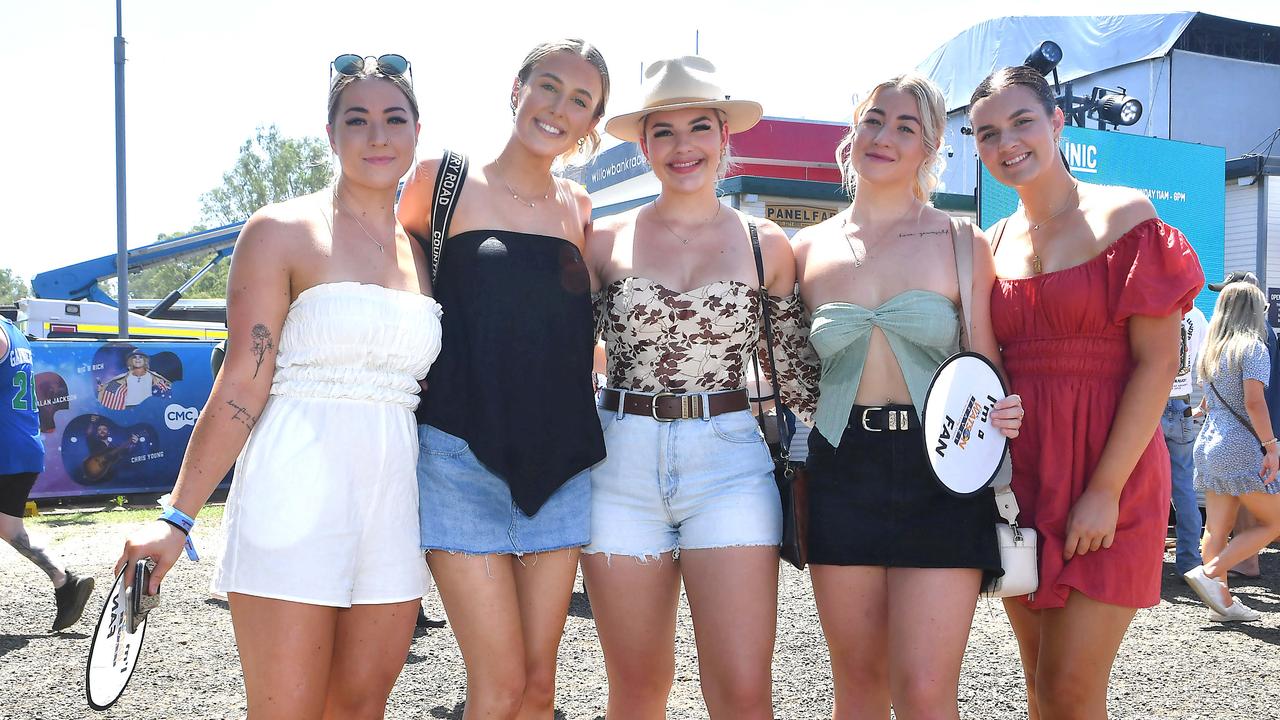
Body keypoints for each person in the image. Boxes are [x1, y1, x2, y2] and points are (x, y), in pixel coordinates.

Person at [117, 53, 441, 718]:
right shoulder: (281, 230)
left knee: (360, 710)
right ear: (330, 134)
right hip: (293, 496)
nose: (377, 135)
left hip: (394, 508)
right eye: (357, 119)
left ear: (415, 133)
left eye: (393, 118)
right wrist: (177, 518)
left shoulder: (424, 250)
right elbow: (241, 381)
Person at [582, 55, 813, 719]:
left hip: (730, 466)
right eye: (664, 132)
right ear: (643, 144)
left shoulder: (767, 243)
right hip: (618, 467)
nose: (683, 147)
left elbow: (798, 375)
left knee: (742, 694)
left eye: (699, 128)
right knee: (635, 690)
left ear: (724, 136)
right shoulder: (601, 241)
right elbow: (554, 357)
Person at [969, 65, 1203, 719]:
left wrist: (1103, 491)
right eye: (988, 133)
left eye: (1022, 122)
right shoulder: (992, 245)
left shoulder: (1126, 216)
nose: (1007, 142)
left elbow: (1158, 365)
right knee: (1039, 684)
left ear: (1057, 123)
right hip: (1024, 480)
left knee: (1072, 689)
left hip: (1113, 471)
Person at [792, 72, 1023, 720]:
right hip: (841, 470)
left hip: (942, 472)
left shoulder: (960, 242)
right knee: (858, 688)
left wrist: (1009, 411)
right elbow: (782, 368)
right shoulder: (805, 249)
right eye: (874, 119)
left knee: (925, 692)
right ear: (852, 131)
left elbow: (986, 368)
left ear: (931, 148)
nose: (885, 136)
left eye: (906, 127)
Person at [396, 39, 610, 719]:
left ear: (591, 125)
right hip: (460, 457)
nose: (558, 107)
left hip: (562, 461)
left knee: (540, 688)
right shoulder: (443, 181)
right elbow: (395, 295)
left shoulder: (579, 208)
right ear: (516, 89)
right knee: (497, 685)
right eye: (548, 86)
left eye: (580, 100)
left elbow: (586, 336)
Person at [1184, 280, 1280, 621]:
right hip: (1239, 445)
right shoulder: (1253, 348)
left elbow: (1209, 403)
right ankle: (1210, 574)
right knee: (1275, 520)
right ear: (1254, 311)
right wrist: (1271, 447)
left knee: (1216, 527)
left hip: (1209, 442)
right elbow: (1255, 402)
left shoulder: (1213, 350)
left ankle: (1221, 604)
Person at [0, 316, 95, 631]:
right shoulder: (15, 333)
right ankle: (64, 582)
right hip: (22, 445)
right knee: (10, 529)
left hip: (5, 445)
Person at [1164, 304, 1207, 577]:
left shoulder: (1155, 306)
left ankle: (1144, 557)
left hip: (1149, 402)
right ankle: (1190, 561)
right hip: (1181, 403)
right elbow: (1203, 365)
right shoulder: (1198, 316)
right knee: (1184, 486)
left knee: (1143, 485)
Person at [97, 349, 172, 408]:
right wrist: (102, 388)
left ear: (145, 360)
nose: (137, 359)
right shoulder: (125, 376)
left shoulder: (153, 376)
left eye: (140, 357)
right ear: (131, 361)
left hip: (147, 408)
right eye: (134, 357)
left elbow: (166, 385)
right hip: (129, 407)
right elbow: (111, 385)